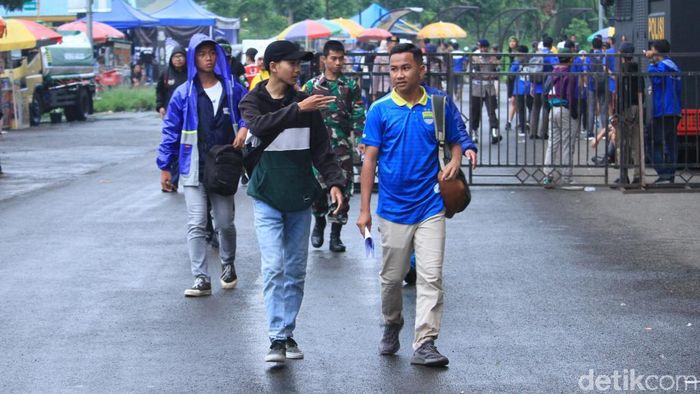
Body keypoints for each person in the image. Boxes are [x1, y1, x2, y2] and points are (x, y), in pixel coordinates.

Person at [357, 43, 477, 367]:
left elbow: (457, 135)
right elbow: (369, 161)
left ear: (421, 70)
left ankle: (425, 342)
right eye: (394, 69)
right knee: (391, 279)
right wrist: (365, 209)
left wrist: (456, 157)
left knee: (431, 276)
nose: (398, 74)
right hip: (393, 209)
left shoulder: (437, 104)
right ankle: (392, 322)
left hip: (430, 205)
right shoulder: (379, 110)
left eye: (405, 68)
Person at [239, 40, 345, 363]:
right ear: (273, 67)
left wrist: (335, 183)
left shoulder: (305, 104)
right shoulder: (253, 101)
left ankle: (286, 332)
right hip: (267, 195)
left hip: (300, 196)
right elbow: (258, 125)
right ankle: (275, 339)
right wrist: (299, 109)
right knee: (273, 267)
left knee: (296, 270)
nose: (299, 69)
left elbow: (322, 151)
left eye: (300, 63)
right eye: (292, 63)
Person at [156, 34, 249, 297]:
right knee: (196, 223)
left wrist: (244, 128)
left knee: (224, 223)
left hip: (224, 167)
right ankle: (201, 278)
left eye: (212, 53)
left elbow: (250, 113)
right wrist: (165, 167)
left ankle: (228, 264)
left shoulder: (232, 89)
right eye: (202, 53)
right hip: (193, 167)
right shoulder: (183, 94)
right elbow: (170, 131)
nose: (208, 58)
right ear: (192, 58)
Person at [302, 40, 365, 253]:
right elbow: (301, 114)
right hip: (316, 147)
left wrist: (360, 139)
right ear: (324, 60)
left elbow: (358, 114)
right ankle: (319, 224)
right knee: (317, 188)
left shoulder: (350, 86)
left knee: (343, 189)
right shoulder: (311, 86)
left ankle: (336, 235)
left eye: (341, 58)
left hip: (341, 147)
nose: (338, 62)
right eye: (333, 58)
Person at [645, 39, 682, 184]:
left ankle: (665, 174)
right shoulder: (672, 65)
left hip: (664, 110)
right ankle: (669, 175)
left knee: (651, 142)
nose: (650, 52)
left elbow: (656, 79)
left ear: (657, 52)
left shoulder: (663, 66)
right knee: (670, 143)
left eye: (652, 49)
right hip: (673, 109)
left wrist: (651, 62)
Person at [542, 48, 580, 189]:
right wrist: (574, 112)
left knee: (553, 143)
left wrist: (548, 108)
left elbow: (545, 92)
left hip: (553, 109)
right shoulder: (569, 74)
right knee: (567, 144)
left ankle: (548, 176)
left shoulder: (553, 73)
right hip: (565, 110)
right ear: (570, 59)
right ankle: (566, 177)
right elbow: (571, 95)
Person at [155, 45, 188, 193]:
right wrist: (160, 106)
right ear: (171, 59)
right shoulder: (166, 74)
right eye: (176, 57)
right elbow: (159, 91)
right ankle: (172, 182)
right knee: (172, 147)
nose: (179, 59)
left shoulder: (191, 74)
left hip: (189, 117)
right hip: (172, 117)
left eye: (181, 56)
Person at [614, 42, 643, 185]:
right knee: (637, 143)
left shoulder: (622, 71)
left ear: (622, 54)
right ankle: (638, 176)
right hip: (637, 107)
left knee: (623, 143)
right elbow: (641, 90)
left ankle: (623, 175)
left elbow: (620, 94)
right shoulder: (638, 70)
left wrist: (616, 112)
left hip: (625, 109)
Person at [469, 39, 501, 144]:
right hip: (477, 87)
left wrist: (495, 63)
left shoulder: (492, 56)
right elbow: (469, 72)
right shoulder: (473, 56)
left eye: (485, 47)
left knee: (491, 111)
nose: (483, 49)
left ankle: (494, 132)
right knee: (475, 111)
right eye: (481, 47)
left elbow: (498, 70)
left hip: (489, 87)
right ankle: (474, 132)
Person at [528, 36, 559, 139]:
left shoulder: (536, 55)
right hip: (547, 87)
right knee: (546, 108)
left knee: (535, 108)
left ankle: (532, 133)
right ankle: (543, 133)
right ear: (551, 45)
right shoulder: (551, 55)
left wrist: (532, 86)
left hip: (536, 85)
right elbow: (556, 67)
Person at [511, 45, 533, 136]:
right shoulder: (532, 61)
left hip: (520, 89)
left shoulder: (516, 62)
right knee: (531, 107)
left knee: (522, 109)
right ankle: (529, 124)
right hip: (530, 88)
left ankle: (523, 129)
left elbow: (511, 73)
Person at [372, 36, 399, 101]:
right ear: (387, 44)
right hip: (382, 88)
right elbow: (375, 75)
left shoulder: (400, 57)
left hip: (396, 88)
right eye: (391, 43)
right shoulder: (380, 56)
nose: (393, 45)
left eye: (395, 43)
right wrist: (374, 92)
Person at [505, 36, 519, 132]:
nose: (512, 43)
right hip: (509, 78)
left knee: (515, 100)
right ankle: (514, 120)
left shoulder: (519, 53)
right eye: (511, 41)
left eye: (514, 41)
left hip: (518, 78)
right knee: (513, 100)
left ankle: (510, 121)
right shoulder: (506, 53)